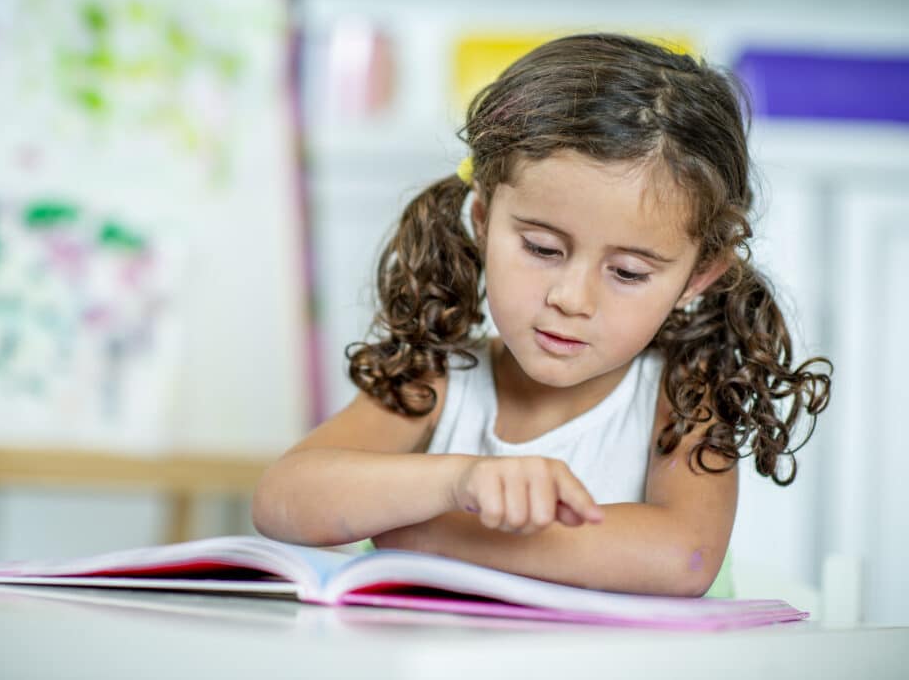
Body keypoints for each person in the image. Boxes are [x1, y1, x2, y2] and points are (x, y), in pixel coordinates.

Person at [253, 32, 832, 597]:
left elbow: (685, 556)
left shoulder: (683, 396)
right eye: (542, 249)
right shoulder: (440, 376)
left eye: (628, 272)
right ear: (482, 220)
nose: (572, 299)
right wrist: (460, 481)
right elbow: (283, 498)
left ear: (697, 276)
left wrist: (433, 534)